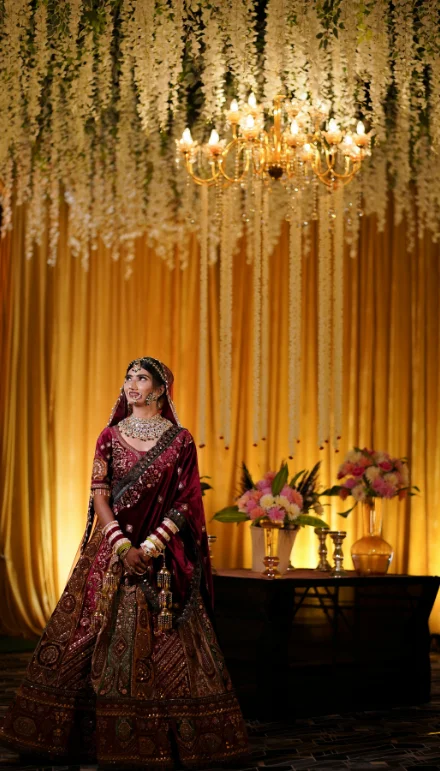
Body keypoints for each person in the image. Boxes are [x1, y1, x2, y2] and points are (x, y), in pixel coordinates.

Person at [0, 357, 248, 769]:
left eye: (142, 378)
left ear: (160, 389)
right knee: (84, 634)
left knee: (169, 641)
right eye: (129, 377)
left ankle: (175, 739)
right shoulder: (109, 436)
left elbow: (187, 501)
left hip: (163, 560)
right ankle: (73, 736)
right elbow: (99, 493)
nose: (132, 384)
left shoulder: (180, 441)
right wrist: (121, 545)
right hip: (111, 552)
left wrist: (149, 547)